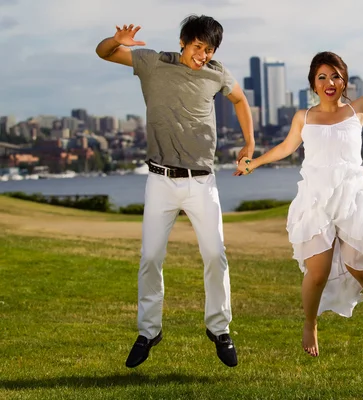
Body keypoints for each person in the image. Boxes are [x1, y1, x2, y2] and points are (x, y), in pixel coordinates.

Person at [237, 32, 363, 356]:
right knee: (316, 274)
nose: (329, 81)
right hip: (317, 199)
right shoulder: (303, 118)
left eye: (335, 75)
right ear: (313, 84)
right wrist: (255, 162)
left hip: (351, 197)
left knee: (359, 265)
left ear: (344, 81)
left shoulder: (357, 111)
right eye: (322, 77)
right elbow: (286, 148)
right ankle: (310, 324)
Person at [95, 15, 255, 368]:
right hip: (160, 180)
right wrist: (115, 38)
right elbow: (104, 53)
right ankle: (149, 331)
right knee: (150, 257)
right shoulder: (153, 62)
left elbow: (241, 101)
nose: (203, 55)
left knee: (215, 255)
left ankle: (220, 328)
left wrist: (249, 143)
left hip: (202, 181)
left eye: (209, 49)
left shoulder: (217, 72)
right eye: (198, 47)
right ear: (184, 41)